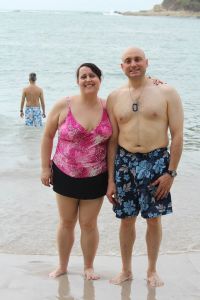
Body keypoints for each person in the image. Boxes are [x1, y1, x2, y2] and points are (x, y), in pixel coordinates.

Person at [106, 47, 184, 286]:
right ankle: (126, 270)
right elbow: (112, 141)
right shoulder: (114, 97)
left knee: (153, 219)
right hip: (125, 163)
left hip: (156, 161)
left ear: (147, 62)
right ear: (122, 67)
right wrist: (110, 180)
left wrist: (171, 172)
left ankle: (151, 270)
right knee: (126, 219)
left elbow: (178, 134)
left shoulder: (166, 92)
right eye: (128, 61)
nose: (133, 64)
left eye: (137, 59)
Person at [40, 63, 112, 279]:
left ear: (100, 79)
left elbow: (114, 144)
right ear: (78, 81)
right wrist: (45, 168)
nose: (88, 79)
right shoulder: (65, 104)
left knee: (89, 224)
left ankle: (88, 266)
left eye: (92, 75)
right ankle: (62, 266)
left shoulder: (108, 107)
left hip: (96, 175)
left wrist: (112, 180)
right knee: (67, 222)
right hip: (64, 172)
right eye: (83, 76)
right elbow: (47, 135)